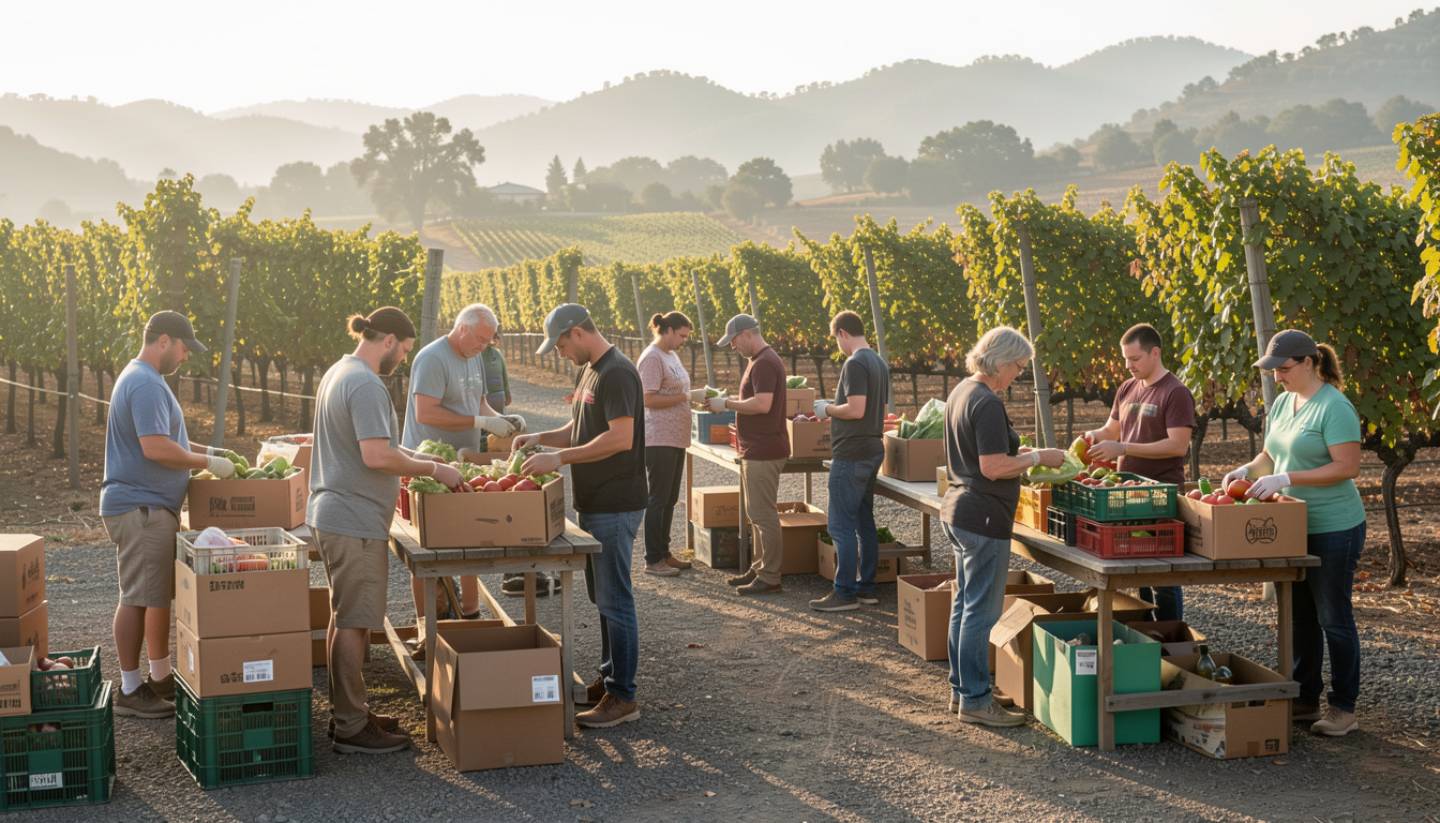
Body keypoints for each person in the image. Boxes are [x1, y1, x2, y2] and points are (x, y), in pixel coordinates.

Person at [310, 307, 463, 754]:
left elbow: (380, 448)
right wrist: (434, 467)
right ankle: (353, 728)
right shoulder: (365, 384)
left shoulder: (340, 371)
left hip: (333, 512)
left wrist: (415, 458)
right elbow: (377, 456)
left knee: (345, 618)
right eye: (405, 350)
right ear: (390, 340)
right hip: (352, 520)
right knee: (358, 623)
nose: (403, 359)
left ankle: (349, 713)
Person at [1222, 329, 1364, 737]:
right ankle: (1305, 697)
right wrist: (1248, 470)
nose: (1277, 378)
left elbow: (1346, 467)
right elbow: (1270, 453)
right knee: (1300, 616)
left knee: (1333, 616)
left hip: (1334, 526)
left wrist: (1287, 477)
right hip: (1292, 525)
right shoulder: (1284, 403)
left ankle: (1343, 708)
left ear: (1308, 363)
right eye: (1273, 372)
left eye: (1284, 370)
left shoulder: (1334, 408)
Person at [101, 311, 241, 718]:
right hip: (140, 507)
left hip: (150, 506)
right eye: (183, 348)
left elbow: (169, 438)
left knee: (153, 594)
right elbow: (156, 448)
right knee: (136, 597)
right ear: (163, 340)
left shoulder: (147, 381)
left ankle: (159, 678)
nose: (185, 357)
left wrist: (209, 454)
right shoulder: (145, 383)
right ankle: (129, 688)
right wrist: (206, 463)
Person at [516, 304, 648, 729]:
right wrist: (541, 438)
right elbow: (580, 427)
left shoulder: (618, 372)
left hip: (617, 501)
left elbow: (620, 437)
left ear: (576, 332)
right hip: (595, 502)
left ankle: (623, 697)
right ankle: (611, 680)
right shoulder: (590, 371)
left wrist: (560, 458)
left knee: (616, 599)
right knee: (602, 597)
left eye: (559, 343)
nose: (559, 352)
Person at [942, 327, 1066, 727]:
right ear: (999, 360)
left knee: (964, 606)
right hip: (984, 518)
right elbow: (992, 466)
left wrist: (1023, 454)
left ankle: (963, 689)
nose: (1018, 374)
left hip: (959, 511)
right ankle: (976, 702)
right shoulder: (987, 403)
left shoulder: (961, 392)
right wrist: (1037, 458)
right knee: (981, 610)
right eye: (1018, 366)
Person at [398, 305, 534, 630]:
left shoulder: (475, 355)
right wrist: (479, 420)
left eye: (489, 341)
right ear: (463, 329)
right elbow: (425, 413)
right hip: (429, 466)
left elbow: (479, 401)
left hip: (464, 463)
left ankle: (470, 615)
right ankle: (426, 625)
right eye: (481, 339)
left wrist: (500, 421)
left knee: (469, 538)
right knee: (428, 548)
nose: (484, 347)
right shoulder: (432, 359)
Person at [1083, 323, 1196, 621]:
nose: (1128, 366)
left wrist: (1124, 449)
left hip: (1161, 495)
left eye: (1134, 359)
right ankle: (1148, 635)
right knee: (1138, 571)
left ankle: (1171, 640)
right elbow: (1112, 429)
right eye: (1125, 359)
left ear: (1155, 353)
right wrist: (1091, 437)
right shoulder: (1127, 388)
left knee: (1163, 576)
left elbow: (1177, 446)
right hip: (1127, 493)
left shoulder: (1175, 393)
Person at [810, 311, 891, 612]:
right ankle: (866, 587)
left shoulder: (855, 362)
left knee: (840, 524)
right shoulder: (879, 363)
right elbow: (877, 409)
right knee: (862, 520)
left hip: (852, 451)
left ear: (843, 333)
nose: (839, 346)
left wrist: (827, 409)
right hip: (872, 447)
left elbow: (856, 409)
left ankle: (843, 592)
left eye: (837, 339)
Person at [711, 314, 789, 596]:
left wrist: (727, 404)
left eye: (733, 341)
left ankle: (770, 576)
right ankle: (760, 567)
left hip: (764, 449)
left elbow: (763, 404)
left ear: (745, 334)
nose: (733, 347)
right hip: (756, 447)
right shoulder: (759, 361)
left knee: (762, 513)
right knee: (755, 513)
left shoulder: (765, 363)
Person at [636, 311, 707, 577]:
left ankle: (664, 553)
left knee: (669, 498)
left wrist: (692, 397)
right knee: (658, 498)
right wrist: (687, 396)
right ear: (667, 330)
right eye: (681, 335)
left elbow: (675, 392)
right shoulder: (652, 357)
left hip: (675, 437)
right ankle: (653, 559)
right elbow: (647, 399)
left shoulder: (670, 354)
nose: (683, 341)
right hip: (658, 438)